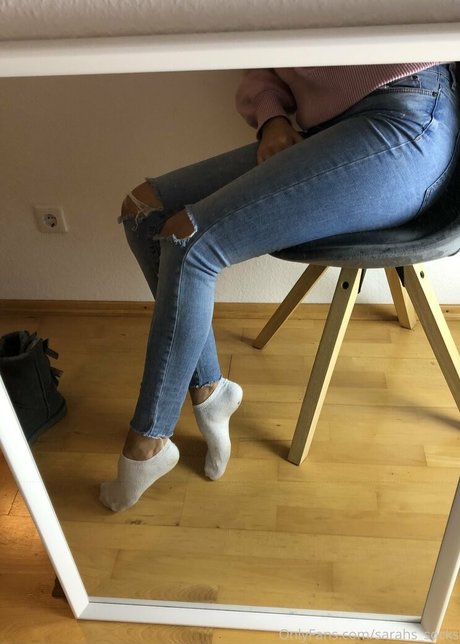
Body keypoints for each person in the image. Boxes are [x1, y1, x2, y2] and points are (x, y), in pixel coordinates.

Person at [100, 62, 459, 512]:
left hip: (408, 117)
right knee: (142, 210)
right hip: (324, 129)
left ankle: (147, 443)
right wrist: (271, 118)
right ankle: (210, 391)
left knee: (189, 240)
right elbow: (266, 52)